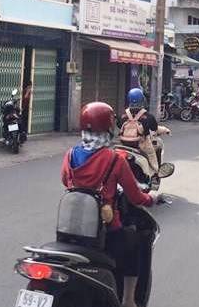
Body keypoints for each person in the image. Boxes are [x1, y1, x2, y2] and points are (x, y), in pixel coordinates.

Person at [62, 102, 154, 307]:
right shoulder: (115, 160)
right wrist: (152, 199)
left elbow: (65, 181)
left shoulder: (70, 155)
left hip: (70, 230)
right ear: (109, 127)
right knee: (134, 245)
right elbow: (136, 197)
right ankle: (129, 300)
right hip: (105, 231)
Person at [119, 88, 159, 172]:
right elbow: (154, 128)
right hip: (142, 145)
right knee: (151, 154)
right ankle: (155, 172)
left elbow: (119, 126)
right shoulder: (148, 116)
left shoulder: (123, 115)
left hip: (124, 144)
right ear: (142, 99)